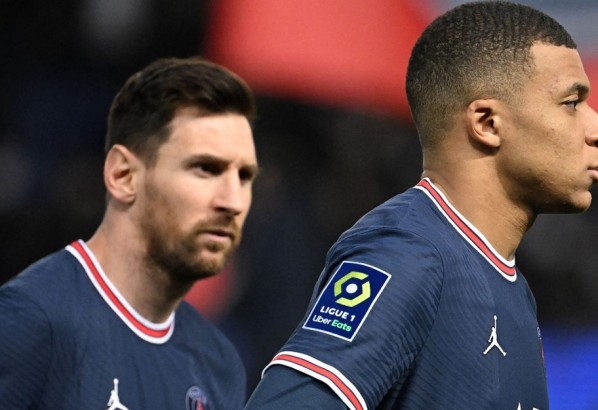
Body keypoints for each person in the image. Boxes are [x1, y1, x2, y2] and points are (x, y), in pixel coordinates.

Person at [245, 1, 598, 409]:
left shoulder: (510, 285)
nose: (593, 126)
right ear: (487, 123)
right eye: (571, 103)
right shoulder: (407, 254)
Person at [0, 57, 259, 409]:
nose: (233, 201)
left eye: (244, 176)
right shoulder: (33, 322)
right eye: (205, 168)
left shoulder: (220, 363)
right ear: (123, 176)